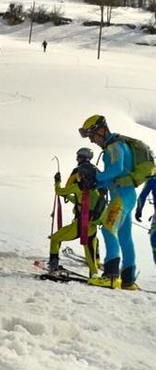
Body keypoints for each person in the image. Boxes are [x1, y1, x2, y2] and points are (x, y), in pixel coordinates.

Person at [77, 114, 138, 289]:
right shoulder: (116, 146)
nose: (92, 141)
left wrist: (96, 176)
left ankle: (111, 276)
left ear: (102, 130)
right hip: (126, 195)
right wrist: (96, 182)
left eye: (92, 136)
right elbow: (113, 175)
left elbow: (116, 170)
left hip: (121, 196)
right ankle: (128, 280)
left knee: (108, 227)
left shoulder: (115, 146)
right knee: (125, 237)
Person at [49, 148, 107, 276]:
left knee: (55, 239)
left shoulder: (77, 185)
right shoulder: (97, 183)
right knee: (90, 249)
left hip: (80, 224)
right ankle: (94, 273)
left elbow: (59, 191)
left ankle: (53, 266)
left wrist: (57, 181)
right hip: (92, 224)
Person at [136, 176, 156, 263]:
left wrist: (139, 210)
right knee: (154, 240)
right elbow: (142, 195)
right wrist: (139, 210)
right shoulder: (152, 179)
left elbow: (142, 195)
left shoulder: (152, 179)